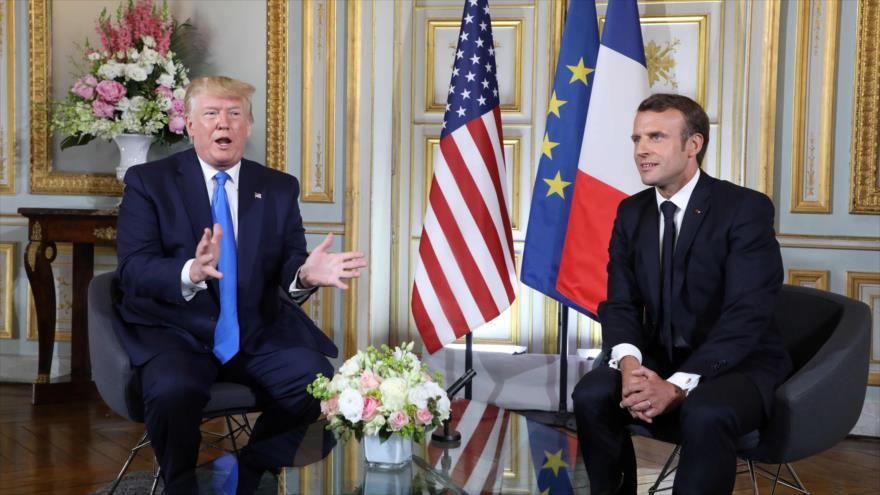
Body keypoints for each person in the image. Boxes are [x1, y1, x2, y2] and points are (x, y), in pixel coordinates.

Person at [114, 76, 367, 493]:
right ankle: (180, 485)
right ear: (190, 125)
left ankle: (246, 473)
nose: (223, 125)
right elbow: (133, 269)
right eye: (211, 114)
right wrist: (189, 273)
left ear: (248, 126)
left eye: (234, 115)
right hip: (176, 332)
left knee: (314, 382)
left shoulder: (278, 187)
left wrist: (304, 274)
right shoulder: (149, 182)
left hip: (254, 330)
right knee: (172, 391)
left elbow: (289, 261)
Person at [571, 93, 791, 495]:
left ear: (694, 145)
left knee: (705, 412)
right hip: (660, 355)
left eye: (656, 137)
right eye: (637, 139)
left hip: (737, 364)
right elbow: (619, 303)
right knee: (591, 394)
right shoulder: (630, 212)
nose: (641, 150)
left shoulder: (745, 209)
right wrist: (630, 369)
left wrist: (676, 386)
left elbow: (747, 315)